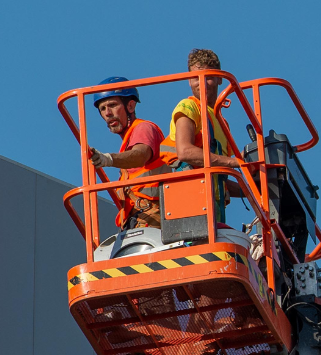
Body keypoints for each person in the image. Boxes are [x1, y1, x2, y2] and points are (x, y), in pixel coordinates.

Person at [159, 49, 247, 225]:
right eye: (194, 77)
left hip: (213, 206)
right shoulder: (189, 106)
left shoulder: (221, 123)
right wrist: (236, 162)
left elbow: (219, 178)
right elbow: (185, 152)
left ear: (219, 79)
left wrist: (253, 190)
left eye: (207, 76)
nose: (201, 83)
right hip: (190, 204)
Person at [87, 76, 169, 231]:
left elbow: (140, 155)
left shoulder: (143, 128)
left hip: (150, 220)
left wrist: (108, 159)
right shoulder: (128, 141)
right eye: (102, 109)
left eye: (112, 105)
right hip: (138, 220)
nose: (107, 113)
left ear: (130, 106)